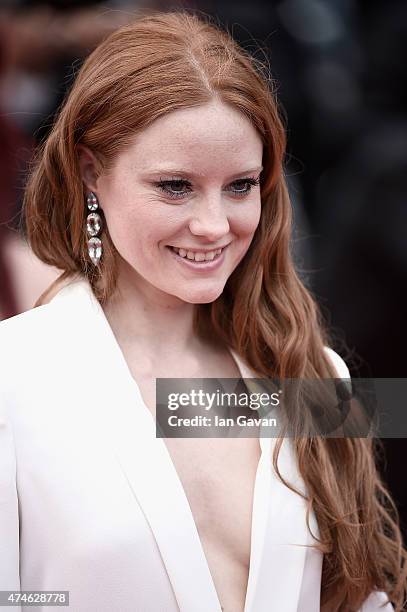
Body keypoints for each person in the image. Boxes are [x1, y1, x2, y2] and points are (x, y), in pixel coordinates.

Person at [0, 9, 405, 612]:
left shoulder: (318, 375)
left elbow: (362, 597)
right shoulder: (16, 378)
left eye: (240, 185)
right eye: (174, 186)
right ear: (90, 173)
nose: (215, 225)